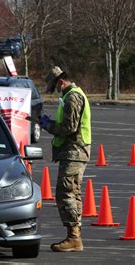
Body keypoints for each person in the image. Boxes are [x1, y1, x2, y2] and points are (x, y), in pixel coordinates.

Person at [40, 66, 91, 252]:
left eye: (55, 87)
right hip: (74, 151)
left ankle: (74, 237)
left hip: (75, 151)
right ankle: (74, 236)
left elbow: (69, 128)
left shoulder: (72, 97)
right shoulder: (71, 95)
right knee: (72, 192)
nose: (55, 92)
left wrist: (48, 125)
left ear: (61, 82)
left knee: (66, 192)